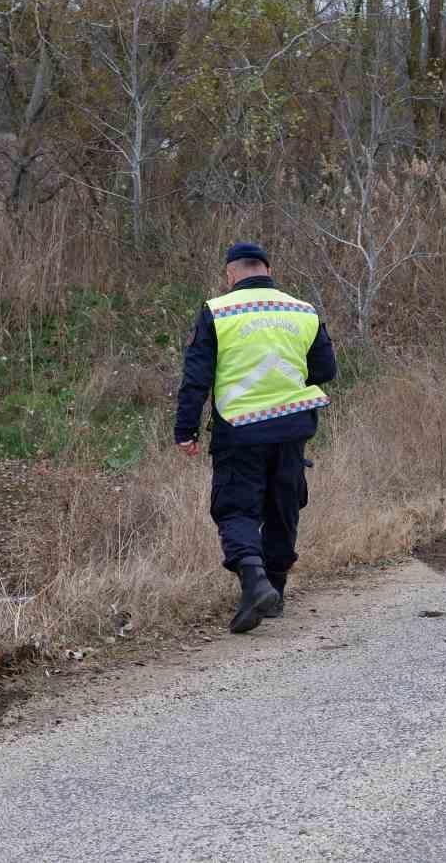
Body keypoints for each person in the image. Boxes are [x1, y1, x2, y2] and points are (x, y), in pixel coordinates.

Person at [175, 242, 338, 633]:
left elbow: (196, 378)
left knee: (236, 509)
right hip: (292, 427)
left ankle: (254, 581)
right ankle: (274, 591)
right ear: (268, 269)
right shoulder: (303, 310)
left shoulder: (218, 311)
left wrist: (186, 430)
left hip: (240, 428)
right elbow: (325, 370)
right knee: (284, 506)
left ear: (230, 274)